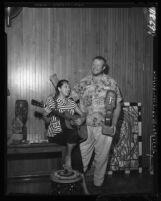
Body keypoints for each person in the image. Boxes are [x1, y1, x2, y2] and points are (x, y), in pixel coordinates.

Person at [72, 56, 123, 191]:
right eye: (93, 64)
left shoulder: (111, 82)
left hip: (104, 126)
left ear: (104, 67)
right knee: (81, 157)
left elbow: (118, 105)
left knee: (102, 157)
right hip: (85, 126)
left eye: (98, 65)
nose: (95, 67)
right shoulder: (83, 82)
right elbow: (70, 99)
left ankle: (98, 186)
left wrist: (114, 123)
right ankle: (78, 185)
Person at [43, 79, 89, 194]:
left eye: (69, 87)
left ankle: (82, 187)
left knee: (76, 151)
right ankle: (69, 161)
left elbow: (83, 114)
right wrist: (45, 113)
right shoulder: (52, 100)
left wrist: (80, 120)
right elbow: (47, 120)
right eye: (66, 87)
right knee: (74, 139)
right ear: (59, 88)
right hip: (56, 133)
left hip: (70, 135)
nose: (68, 89)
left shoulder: (71, 102)